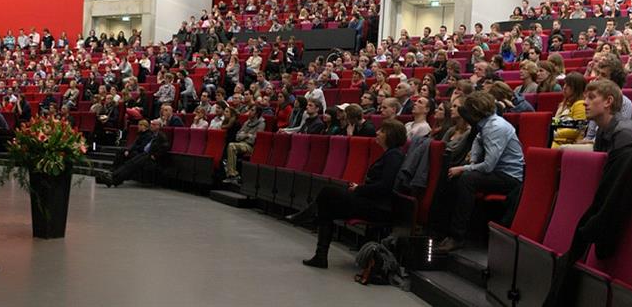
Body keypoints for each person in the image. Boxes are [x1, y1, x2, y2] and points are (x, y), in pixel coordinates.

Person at [286, 120, 407, 269]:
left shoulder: (394, 156)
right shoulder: (390, 154)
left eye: (381, 131)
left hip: (379, 208)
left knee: (328, 192)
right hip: (371, 202)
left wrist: (358, 189)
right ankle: (320, 255)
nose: (377, 133)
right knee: (327, 207)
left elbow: (385, 186)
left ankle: (308, 218)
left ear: (391, 135)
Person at [437, 91, 525, 252]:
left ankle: (457, 237)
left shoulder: (495, 127)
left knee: (466, 179)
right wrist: (470, 161)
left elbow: (489, 166)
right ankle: (444, 230)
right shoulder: (485, 125)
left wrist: (464, 168)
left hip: (510, 177)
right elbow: (478, 142)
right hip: (497, 173)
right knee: (451, 177)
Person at [585, 79, 632, 153]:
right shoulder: (602, 129)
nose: (585, 102)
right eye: (585, 98)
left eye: (591, 98)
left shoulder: (624, 133)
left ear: (608, 101)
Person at [97, 119, 170, 187]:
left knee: (132, 165)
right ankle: (113, 178)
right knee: (129, 164)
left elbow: (166, 147)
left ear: (159, 126)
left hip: (150, 156)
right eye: (151, 124)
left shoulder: (161, 136)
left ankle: (113, 178)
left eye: (153, 124)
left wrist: (155, 156)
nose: (151, 126)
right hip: (145, 154)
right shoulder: (153, 135)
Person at [223, 106, 266, 183]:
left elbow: (254, 139)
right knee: (231, 145)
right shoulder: (247, 122)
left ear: (257, 113)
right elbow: (237, 136)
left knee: (232, 146)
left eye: (252, 110)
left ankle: (233, 175)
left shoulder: (261, 123)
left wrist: (244, 135)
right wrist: (247, 135)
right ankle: (231, 173)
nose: (250, 111)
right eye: (250, 110)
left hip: (250, 147)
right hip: (241, 144)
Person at [551, 72, 587, 147]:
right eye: (565, 84)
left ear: (577, 88)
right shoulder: (563, 105)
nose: (564, 87)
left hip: (567, 144)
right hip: (557, 140)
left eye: (569, 85)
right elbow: (555, 123)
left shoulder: (580, 104)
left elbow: (577, 129)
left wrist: (553, 134)